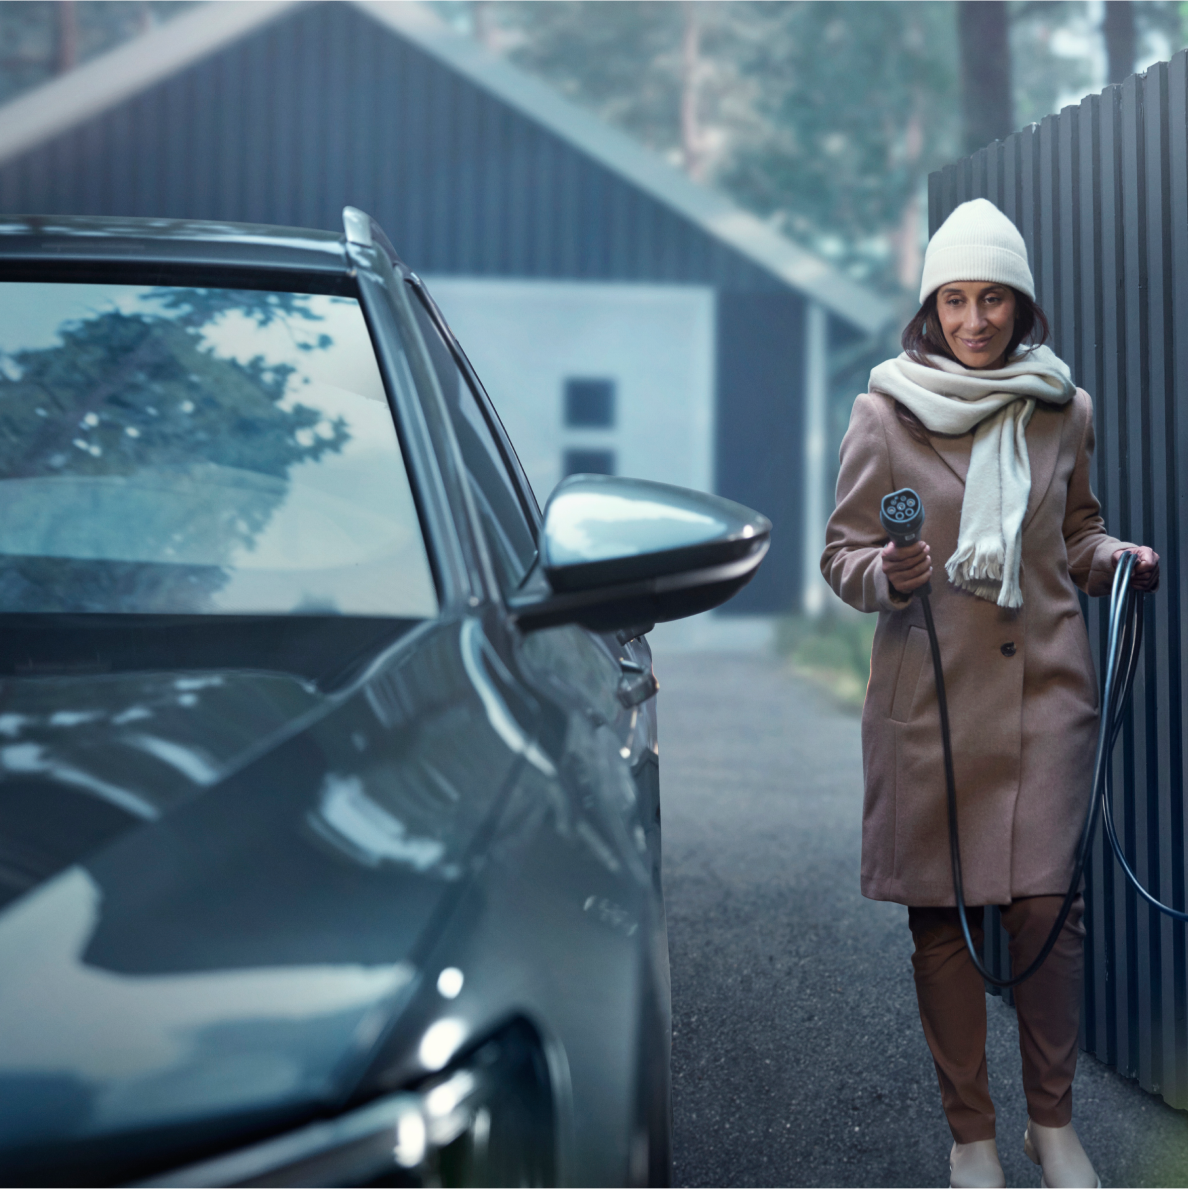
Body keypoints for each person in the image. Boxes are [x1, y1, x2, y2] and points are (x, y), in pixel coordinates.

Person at [821, 198, 1159, 1189]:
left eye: (995, 300)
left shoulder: (1065, 408)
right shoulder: (884, 411)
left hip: (1046, 694)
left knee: (1051, 914)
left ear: (1022, 306)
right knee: (944, 918)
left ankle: (1051, 1125)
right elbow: (842, 556)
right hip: (932, 707)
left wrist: (1117, 559)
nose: (976, 321)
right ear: (933, 308)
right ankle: (971, 1132)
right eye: (957, 301)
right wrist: (891, 573)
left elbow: (1073, 533)